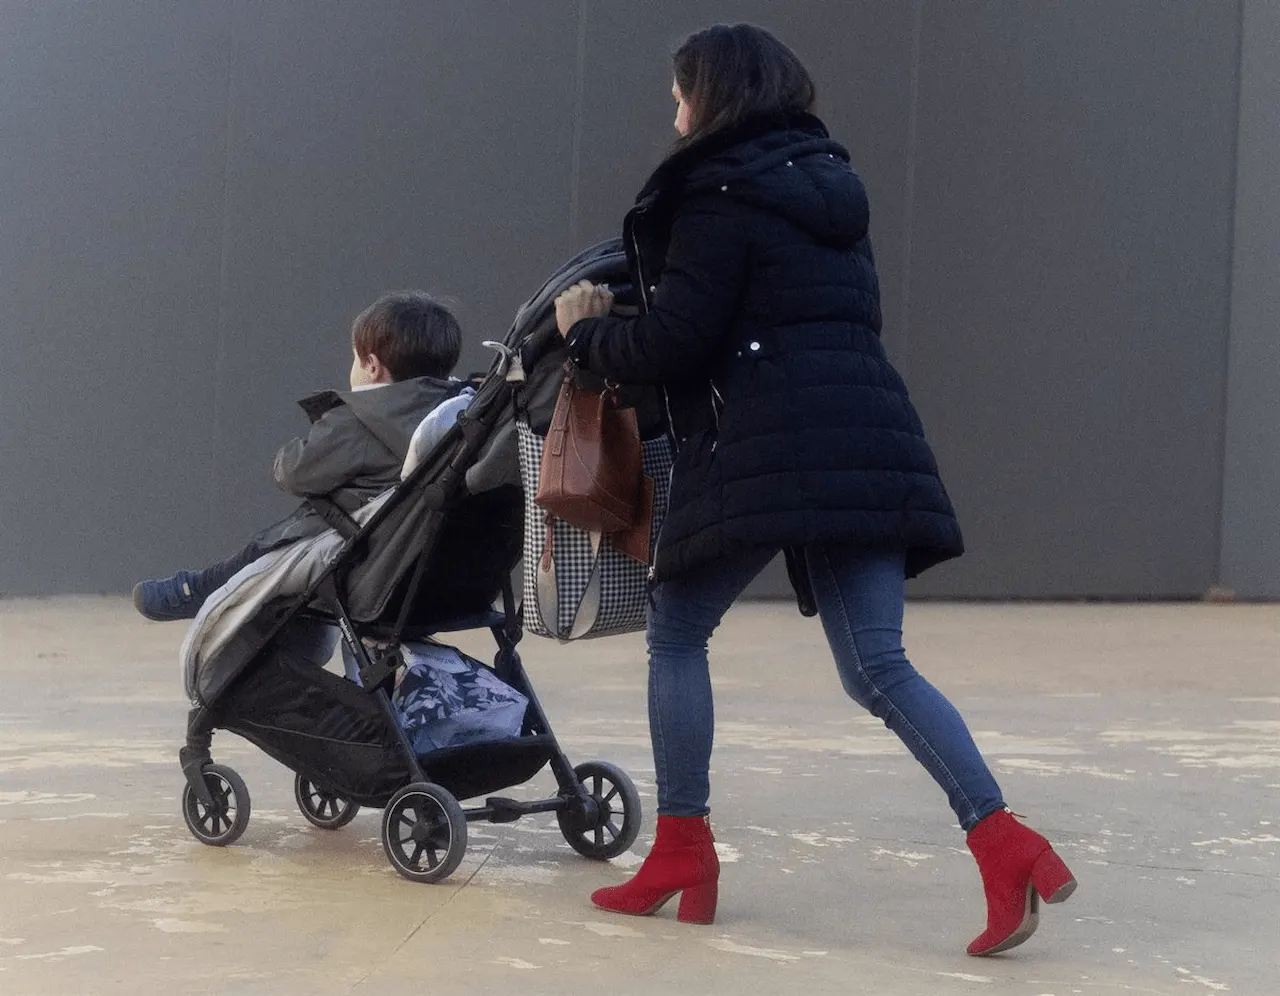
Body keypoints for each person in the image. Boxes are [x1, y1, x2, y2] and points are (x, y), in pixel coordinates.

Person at [554, 23, 1076, 956]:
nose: (671, 114)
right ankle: (1007, 843)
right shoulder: (830, 190)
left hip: (777, 441)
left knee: (676, 627)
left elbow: (677, 340)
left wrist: (586, 336)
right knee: (877, 664)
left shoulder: (717, 196)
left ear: (712, 95)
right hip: (864, 432)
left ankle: (682, 849)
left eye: (679, 94)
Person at [133, 291, 467, 623]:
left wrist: (297, 445)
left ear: (371, 365)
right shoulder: (459, 413)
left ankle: (200, 589)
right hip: (437, 572)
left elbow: (293, 473)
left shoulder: (361, 421)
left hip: (363, 563)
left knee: (266, 548)